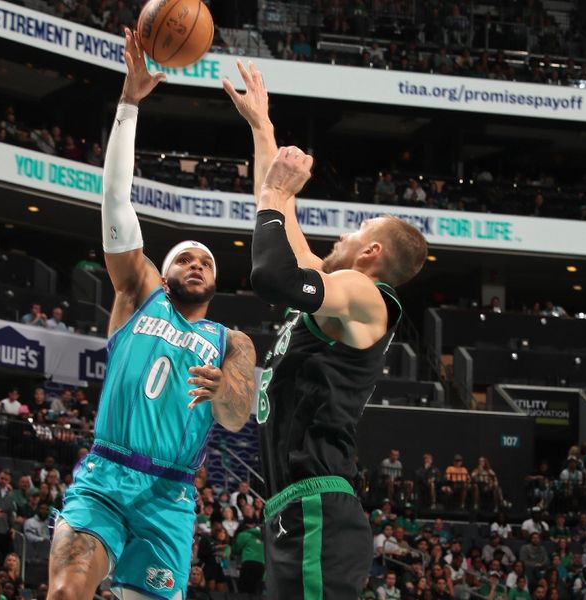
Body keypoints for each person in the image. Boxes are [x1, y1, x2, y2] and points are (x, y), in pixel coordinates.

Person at [48, 30, 256, 600]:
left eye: (206, 260)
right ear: (163, 274)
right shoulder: (139, 294)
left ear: (216, 279)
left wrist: (224, 391)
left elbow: (238, 416)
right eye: (184, 258)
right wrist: (129, 102)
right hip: (107, 479)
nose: (196, 263)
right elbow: (116, 203)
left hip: (170, 497)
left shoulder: (230, 341)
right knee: (67, 592)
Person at [224, 59, 426, 599]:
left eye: (360, 228)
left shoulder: (363, 294)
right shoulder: (336, 293)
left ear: (373, 251)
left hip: (316, 507)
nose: (347, 231)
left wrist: (272, 199)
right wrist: (262, 130)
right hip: (296, 507)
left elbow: (271, 274)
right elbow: (280, 212)